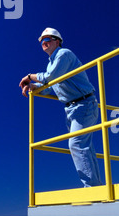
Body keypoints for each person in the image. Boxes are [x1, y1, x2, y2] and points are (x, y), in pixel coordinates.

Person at [19, 27, 102, 188]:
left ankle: (92, 189)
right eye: (42, 41)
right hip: (73, 108)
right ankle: (96, 186)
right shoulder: (52, 64)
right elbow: (52, 88)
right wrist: (35, 87)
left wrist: (29, 77)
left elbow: (50, 77)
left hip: (84, 104)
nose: (44, 43)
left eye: (47, 39)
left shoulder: (64, 54)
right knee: (85, 147)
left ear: (57, 41)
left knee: (76, 143)